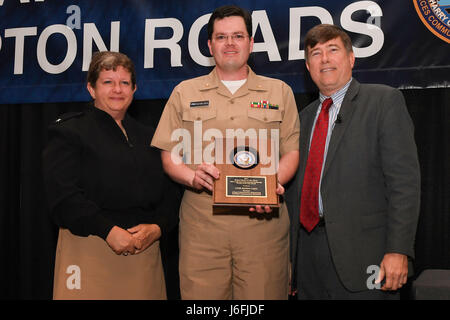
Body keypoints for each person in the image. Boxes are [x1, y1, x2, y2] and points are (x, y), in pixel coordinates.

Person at [151, 5, 300, 300]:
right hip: (202, 229)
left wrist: (268, 187)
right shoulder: (185, 92)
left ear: (251, 42)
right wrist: (193, 177)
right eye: (221, 37)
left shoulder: (279, 91)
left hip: (263, 228)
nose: (230, 43)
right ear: (210, 45)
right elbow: (170, 156)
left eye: (237, 36)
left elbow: (291, 152)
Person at [285, 24, 420, 299]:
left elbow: (404, 184)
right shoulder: (301, 119)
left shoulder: (383, 102)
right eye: (316, 53)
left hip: (366, 256)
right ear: (308, 66)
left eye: (333, 50)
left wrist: (398, 250)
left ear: (351, 58)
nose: (324, 59)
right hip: (308, 256)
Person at [42, 51, 180, 299]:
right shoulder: (69, 132)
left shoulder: (150, 137)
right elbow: (63, 197)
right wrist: (107, 230)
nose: (117, 89)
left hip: (143, 255)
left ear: (134, 89)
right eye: (108, 82)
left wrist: (159, 227)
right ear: (91, 88)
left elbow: (171, 193)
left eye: (124, 83)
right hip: (91, 250)